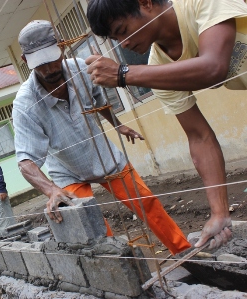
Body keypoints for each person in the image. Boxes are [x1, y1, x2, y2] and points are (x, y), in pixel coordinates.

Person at [13, 20, 191, 255]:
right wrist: (51, 190)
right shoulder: (25, 104)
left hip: (104, 154)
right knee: (92, 223)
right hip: (67, 171)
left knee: (146, 202)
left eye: (52, 58)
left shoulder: (80, 69)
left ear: (63, 47)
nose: (49, 69)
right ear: (26, 62)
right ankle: (125, 270)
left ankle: (184, 251)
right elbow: (25, 161)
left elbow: (98, 101)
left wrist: (118, 126)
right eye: (40, 64)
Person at [85, 0, 247, 249]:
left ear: (146, 2)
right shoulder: (158, 68)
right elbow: (199, 136)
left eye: (123, 30)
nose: (123, 43)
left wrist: (123, 74)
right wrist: (219, 213)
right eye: (115, 39)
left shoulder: (200, 3)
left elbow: (213, 66)